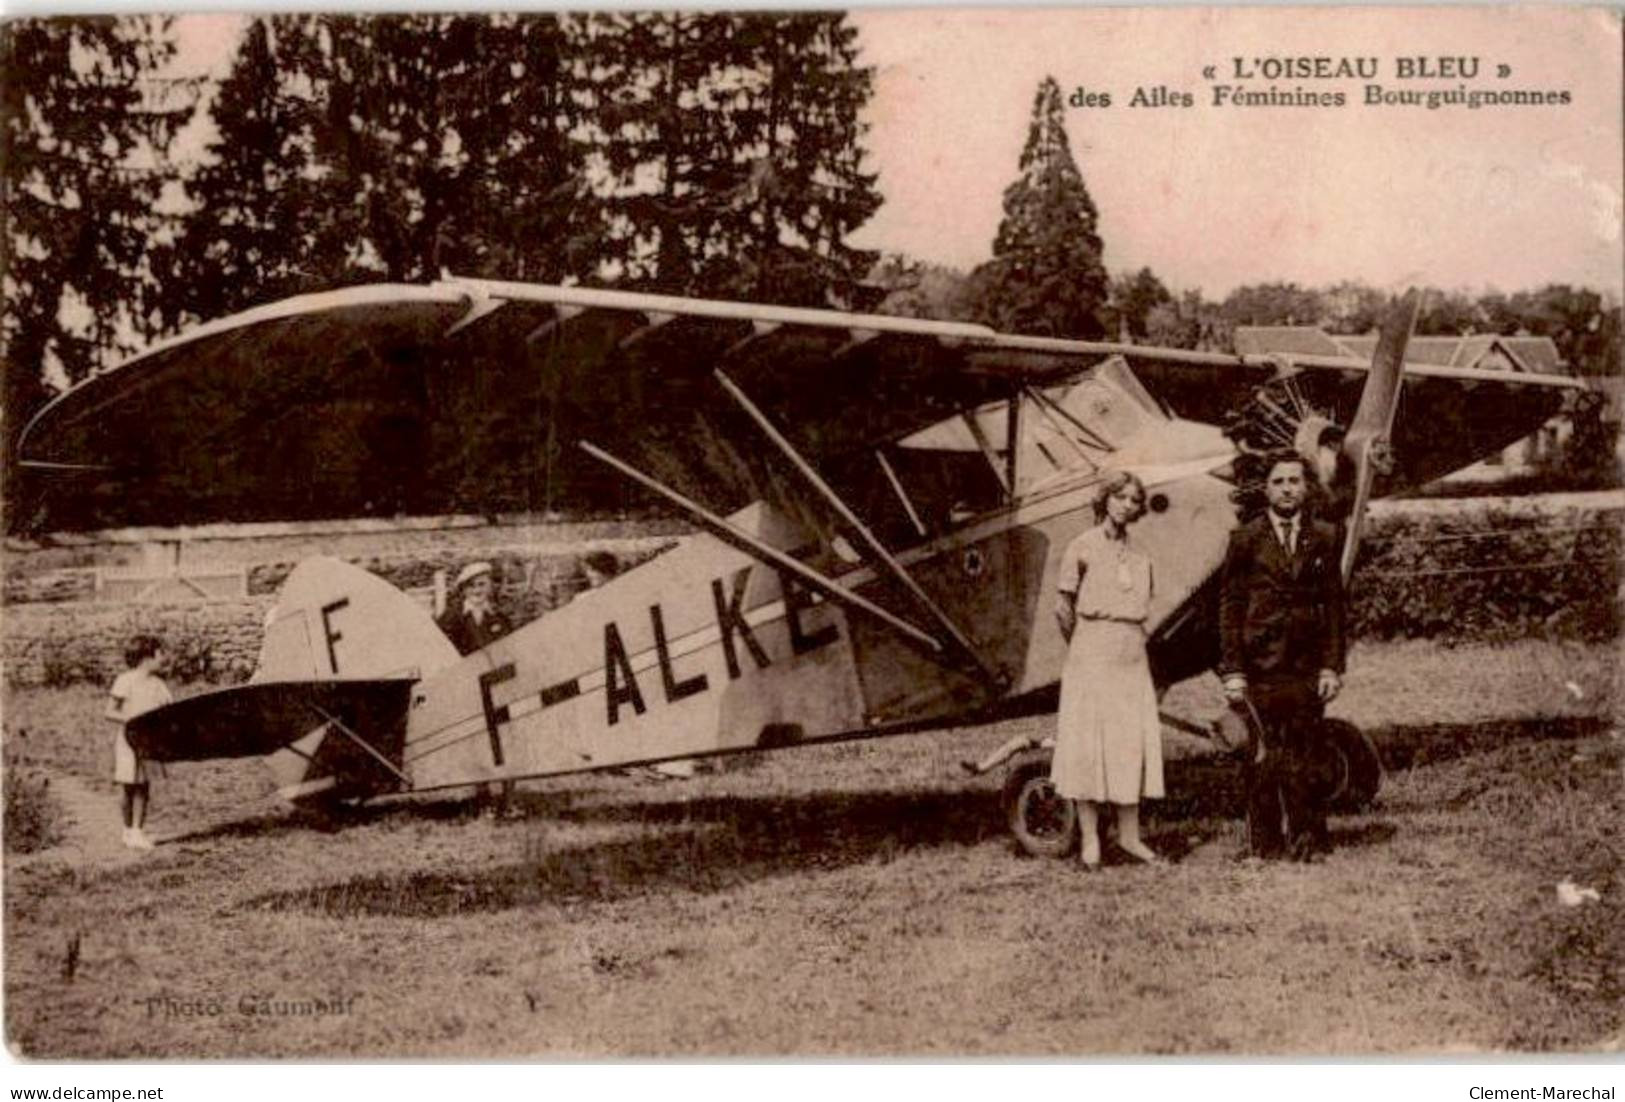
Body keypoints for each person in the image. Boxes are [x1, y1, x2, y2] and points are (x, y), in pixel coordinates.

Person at [1218, 451, 1347, 862]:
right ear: (1265, 489)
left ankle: (1308, 841)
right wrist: (1233, 670)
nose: (1287, 489)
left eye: (1294, 481)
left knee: (1305, 752)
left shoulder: (1325, 536)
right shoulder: (1245, 539)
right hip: (1259, 666)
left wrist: (1331, 665)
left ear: (1306, 487)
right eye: (1279, 481)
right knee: (1261, 757)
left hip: (1306, 666)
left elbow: (1335, 608)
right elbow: (1230, 608)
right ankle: (1265, 844)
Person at [1051, 471, 1164, 870]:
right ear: (1106, 500)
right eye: (1120, 497)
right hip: (1091, 652)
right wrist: (1086, 648)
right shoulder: (1080, 547)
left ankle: (1130, 836)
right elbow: (1063, 609)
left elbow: (1143, 604)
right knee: (1089, 743)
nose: (1127, 505)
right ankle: (1091, 840)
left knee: (1128, 741)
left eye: (1135, 500)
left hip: (1131, 652)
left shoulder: (1142, 553)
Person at [437, 562, 518, 817]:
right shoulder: (452, 619)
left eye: (482, 584)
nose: (477, 590)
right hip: (469, 690)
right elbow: (440, 654)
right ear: (463, 589)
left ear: (490, 587)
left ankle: (508, 801)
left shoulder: (499, 618)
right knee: (477, 743)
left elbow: (510, 651)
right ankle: (482, 800)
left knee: (509, 742)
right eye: (471, 585)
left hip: (499, 687)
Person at [103, 635, 172, 850]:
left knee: (143, 785)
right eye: (161, 654)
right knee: (127, 786)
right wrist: (133, 719)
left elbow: (168, 711)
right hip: (129, 741)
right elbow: (109, 711)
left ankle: (137, 831)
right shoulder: (125, 680)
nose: (165, 658)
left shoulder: (159, 685)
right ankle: (126, 830)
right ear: (147, 657)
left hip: (149, 742)